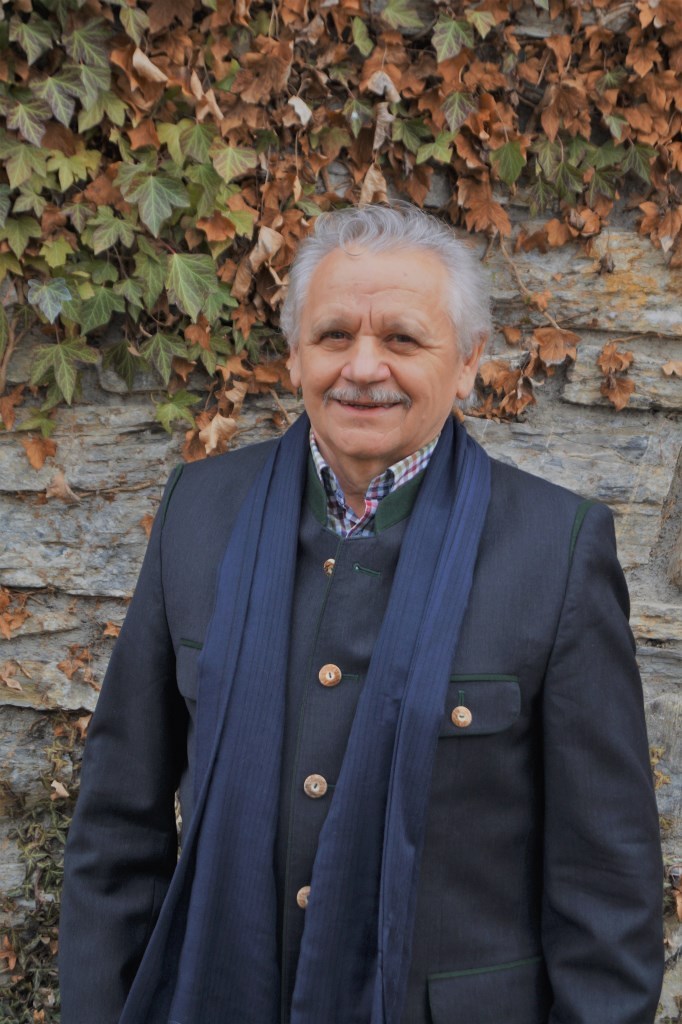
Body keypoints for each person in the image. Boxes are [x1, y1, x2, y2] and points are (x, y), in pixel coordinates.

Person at [59, 203, 663, 1024]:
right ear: (295, 355)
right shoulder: (199, 513)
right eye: (334, 335)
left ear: (468, 361)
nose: (363, 367)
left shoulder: (554, 551)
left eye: (404, 339)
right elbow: (117, 826)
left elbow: (606, 881)